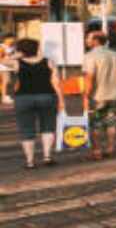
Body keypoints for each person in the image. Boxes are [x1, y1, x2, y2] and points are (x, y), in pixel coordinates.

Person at [11, 38, 63, 168]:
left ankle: (30, 162)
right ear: (36, 48)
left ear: (20, 50)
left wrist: (15, 55)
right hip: (47, 96)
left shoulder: (16, 63)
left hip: (23, 98)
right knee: (48, 127)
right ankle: (47, 157)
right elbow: (56, 82)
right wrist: (61, 100)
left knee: (26, 130)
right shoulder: (49, 62)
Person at [82, 31, 116, 160]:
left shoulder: (90, 56)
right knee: (110, 123)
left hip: (97, 97)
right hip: (113, 95)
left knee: (96, 124)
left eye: (88, 38)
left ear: (95, 41)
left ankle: (97, 151)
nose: (86, 40)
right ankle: (110, 148)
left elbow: (89, 77)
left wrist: (85, 96)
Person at [0, 34, 16, 105]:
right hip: (4, 67)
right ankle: (4, 97)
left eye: (14, 39)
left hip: (12, 67)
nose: (13, 40)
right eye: (11, 38)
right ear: (6, 39)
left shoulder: (14, 47)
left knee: (12, 82)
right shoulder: (2, 46)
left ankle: (10, 96)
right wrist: (6, 61)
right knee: (6, 81)